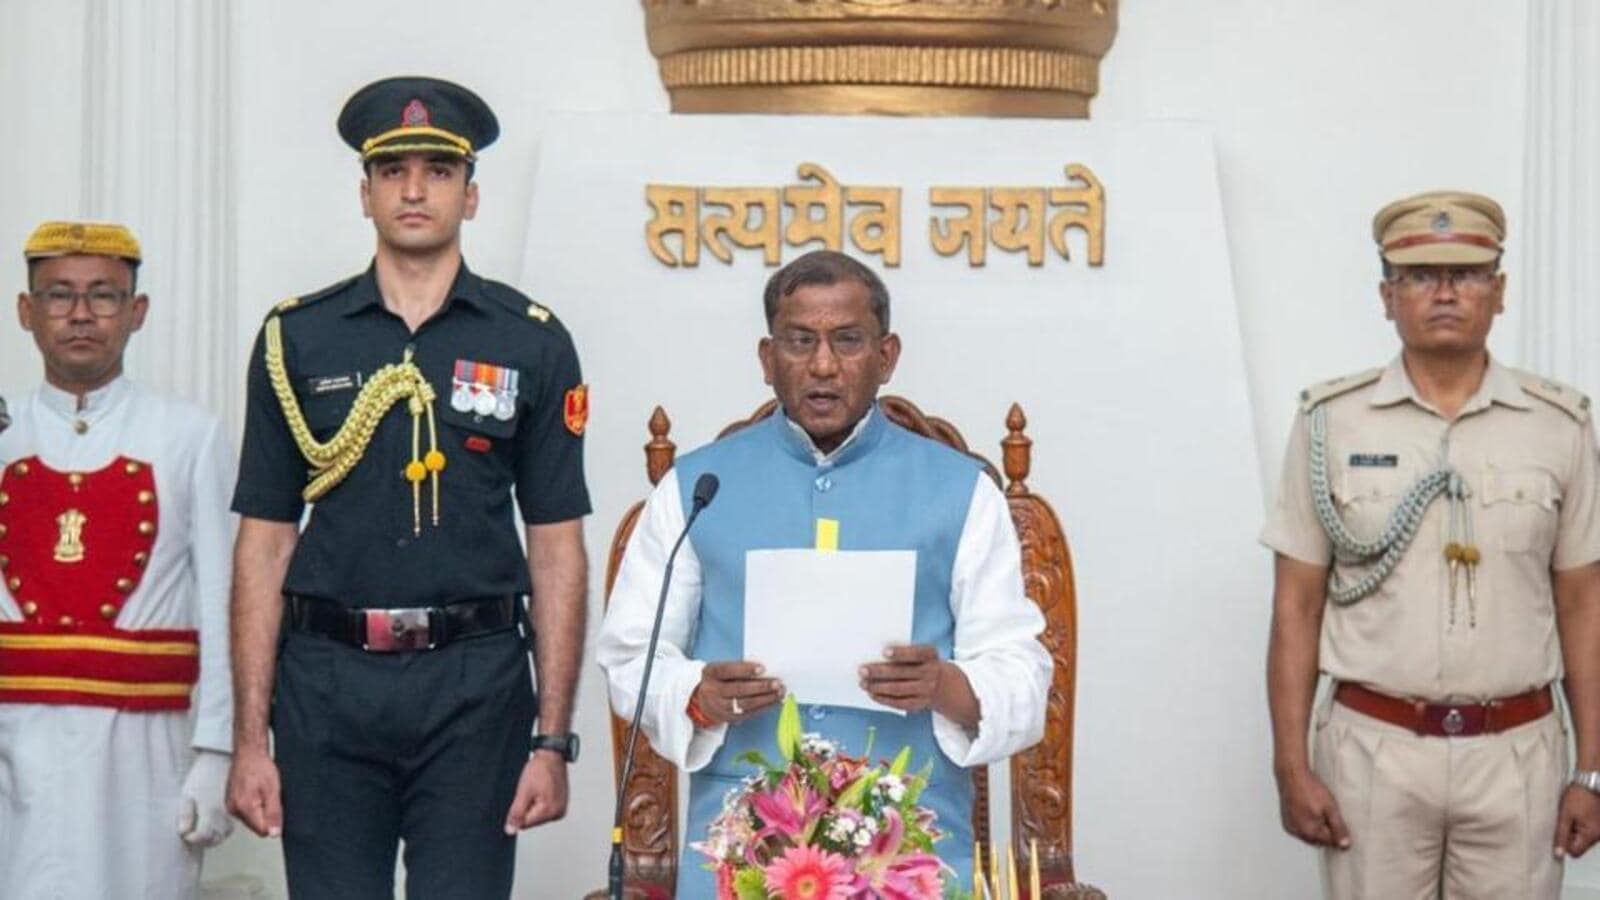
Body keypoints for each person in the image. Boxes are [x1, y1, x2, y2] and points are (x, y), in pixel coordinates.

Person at [225, 76, 590, 898]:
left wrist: (552, 739)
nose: (415, 189)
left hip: (476, 686)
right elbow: (264, 542)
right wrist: (250, 739)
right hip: (324, 684)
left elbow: (558, 548)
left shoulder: (530, 342)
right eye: (393, 172)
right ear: (365, 194)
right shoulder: (297, 338)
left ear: (472, 193)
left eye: (437, 170)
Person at [596, 248, 1052, 895]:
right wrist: (699, 695)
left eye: (847, 340)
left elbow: (1024, 674)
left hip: (910, 840)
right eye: (799, 341)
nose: (823, 365)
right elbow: (628, 655)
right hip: (743, 843)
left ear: (887, 356)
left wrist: (944, 685)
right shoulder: (697, 487)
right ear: (766, 358)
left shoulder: (962, 491)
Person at [1263, 190, 1600, 899]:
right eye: (1420, 276)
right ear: (1387, 295)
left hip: (1518, 756)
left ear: (1499, 292)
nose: (1445, 292)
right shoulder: (1332, 422)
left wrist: (1592, 769)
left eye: (1467, 274)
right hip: (1374, 752)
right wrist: (1291, 765)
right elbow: (1296, 606)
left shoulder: (1558, 426)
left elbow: (1583, 603)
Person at [0, 220, 235, 898]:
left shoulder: (189, 434)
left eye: (103, 295)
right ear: (26, 310)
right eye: (57, 295)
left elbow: (226, 604)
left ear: (137, 312)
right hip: (15, 736)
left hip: (145, 748)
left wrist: (217, 749)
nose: (79, 314)